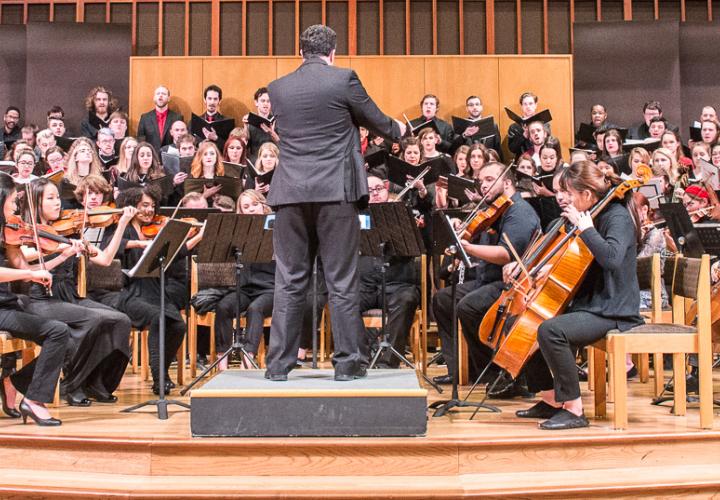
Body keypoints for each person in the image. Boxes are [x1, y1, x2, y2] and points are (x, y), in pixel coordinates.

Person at [265, 24, 404, 381]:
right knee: (341, 281)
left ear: (300, 52)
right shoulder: (344, 80)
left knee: (289, 280)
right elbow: (377, 121)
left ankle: (278, 365)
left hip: (290, 194)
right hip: (335, 194)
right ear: (333, 53)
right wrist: (399, 130)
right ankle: (347, 365)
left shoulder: (278, 89)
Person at [516, 161, 643, 430]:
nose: (565, 199)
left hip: (614, 310)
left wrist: (586, 229)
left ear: (586, 194)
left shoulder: (616, 216)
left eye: (569, 193)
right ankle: (552, 400)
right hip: (592, 304)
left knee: (551, 331)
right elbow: (586, 261)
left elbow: (611, 259)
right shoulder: (594, 212)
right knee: (527, 325)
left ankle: (574, 409)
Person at [22, 178, 135, 406]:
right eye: (51, 198)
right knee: (93, 320)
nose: (58, 203)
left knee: (121, 320)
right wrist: (59, 250)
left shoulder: (70, 229)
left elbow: (104, 259)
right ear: (35, 203)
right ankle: (72, 384)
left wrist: (122, 223)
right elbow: (25, 259)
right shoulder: (26, 233)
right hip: (40, 299)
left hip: (68, 295)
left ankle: (97, 383)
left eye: (57, 198)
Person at [431, 161, 541, 385]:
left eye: (490, 180)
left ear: (508, 182)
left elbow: (506, 254)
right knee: (443, 299)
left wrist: (468, 248)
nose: (483, 186)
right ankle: (463, 369)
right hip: (487, 280)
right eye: (481, 181)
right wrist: (462, 229)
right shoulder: (495, 210)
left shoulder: (519, 212)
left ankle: (493, 371)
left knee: (469, 306)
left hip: (511, 285)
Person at [0, 174, 70, 426]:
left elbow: (18, 262)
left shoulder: (7, 229)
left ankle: (17, 383)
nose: (16, 207)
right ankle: (33, 399)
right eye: (12, 201)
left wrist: (40, 272)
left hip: (7, 300)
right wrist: (30, 273)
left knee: (65, 331)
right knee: (58, 332)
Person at [359, 176, 420, 368]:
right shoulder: (355, 217)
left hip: (397, 286)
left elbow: (419, 246)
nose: (375, 193)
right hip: (365, 286)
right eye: (370, 190)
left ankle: (389, 360)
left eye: (379, 188)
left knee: (407, 298)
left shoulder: (403, 215)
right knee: (342, 299)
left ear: (387, 189)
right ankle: (361, 355)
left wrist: (410, 227)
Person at [212, 189, 275, 370]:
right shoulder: (239, 232)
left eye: (255, 204)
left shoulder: (275, 228)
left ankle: (248, 357)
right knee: (223, 307)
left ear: (263, 206)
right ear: (241, 212)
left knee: (255, 309)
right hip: (246, 287)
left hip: (270, 288)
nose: (252, 209)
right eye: (246, 207)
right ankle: (222, 361)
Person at [136, 86, 184, 153]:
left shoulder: (177, 117)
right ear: (154, 98)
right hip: (151, 157)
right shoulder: (145, 118)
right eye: (158, 93)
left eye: (164, 94)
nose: (160, 95)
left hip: (170, 156)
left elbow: (181, 140)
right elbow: (140, 141)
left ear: (168, 98)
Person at [461, 95, 503, 160]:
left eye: (477, 104)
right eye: (471, 105)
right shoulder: (461, 125)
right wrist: (464, 135)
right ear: (467, 108)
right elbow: (455, 148)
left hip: (488, 163)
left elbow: (498, 149)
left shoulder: (492, 125)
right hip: (468, 163)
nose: (474, 107)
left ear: (481, 107)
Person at [244, 87, 279, 161]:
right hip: (256, 160)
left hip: (273, 160)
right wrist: (245, 126)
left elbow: (284, 145)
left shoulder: (277, 121)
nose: (266, 104)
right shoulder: (250, 121)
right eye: (263, 101)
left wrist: (272, 133)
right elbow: (245, 145)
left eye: (268, 101)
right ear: (256, 102)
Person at [192, 85, 228, 150]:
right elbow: (189, 141)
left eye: (215, 99)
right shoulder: (195, 121)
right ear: (205, 100)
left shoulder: (227, 122)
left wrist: (216, 138)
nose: (212, 102)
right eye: (209, 98)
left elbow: (229, 146)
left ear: (219, 101)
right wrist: (199, 144)